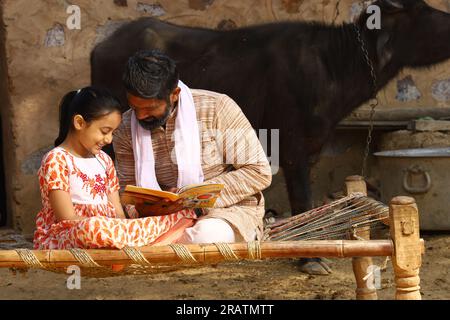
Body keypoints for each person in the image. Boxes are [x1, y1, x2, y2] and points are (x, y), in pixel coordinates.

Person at [113, 50, 272, 244]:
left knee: (206, 235)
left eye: (150, 108)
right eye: (135, 107)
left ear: (174, 94)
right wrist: (141, 210)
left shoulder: (217, 108)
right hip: (159, 220)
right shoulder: (124, 128)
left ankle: (163, 244)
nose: (140, 117)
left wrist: (193, 200)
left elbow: (259, 171)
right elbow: (126, 191)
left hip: (227, 213)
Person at [33, 86, 195, 250]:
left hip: (111, 229)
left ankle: (129, 242)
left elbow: (118, 213)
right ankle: (146, 243)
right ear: (79, 122)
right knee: (94, 228)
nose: (109, 140)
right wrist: (105, 224)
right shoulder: (57, 159)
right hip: (71, 233)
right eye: (104, 131)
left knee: (182, 214)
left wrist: (123, 226)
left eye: (113, 133)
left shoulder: (104, 160)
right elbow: (66, 218)